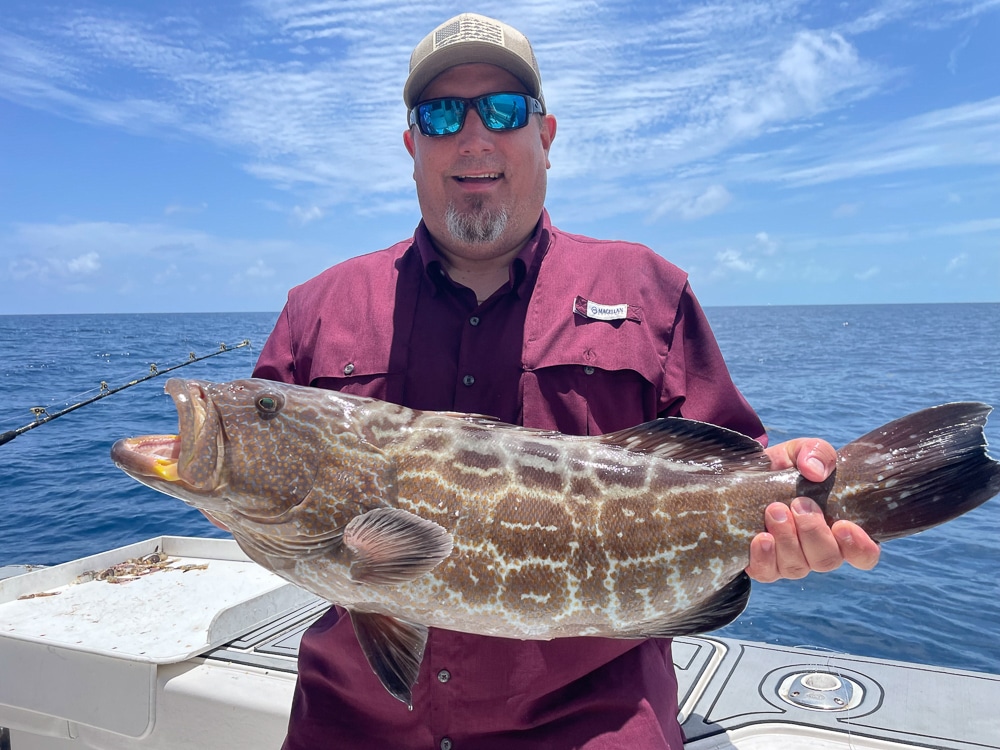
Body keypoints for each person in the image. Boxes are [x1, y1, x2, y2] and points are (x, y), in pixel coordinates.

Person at [251, 13, 881, 749]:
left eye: (505, 110)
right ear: (411, 144)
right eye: (442, 113)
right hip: (354, 724)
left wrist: (791, 504)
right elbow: (261, 491)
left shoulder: (650, 289)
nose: (475, 136)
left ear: (545, 136)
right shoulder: (316, 308)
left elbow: (737, 471)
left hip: (590, 726)